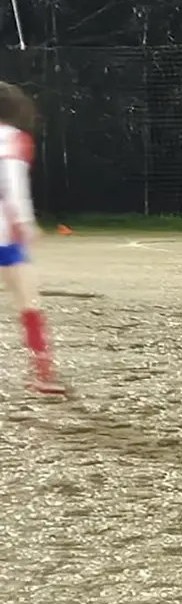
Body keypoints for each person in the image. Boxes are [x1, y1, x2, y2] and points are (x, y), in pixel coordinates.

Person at [0, 82, 60, 395]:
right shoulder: (13, 139)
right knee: (28, 303)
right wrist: (26, 222)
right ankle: (42, 373)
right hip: (4, 236)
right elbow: (11, 182)